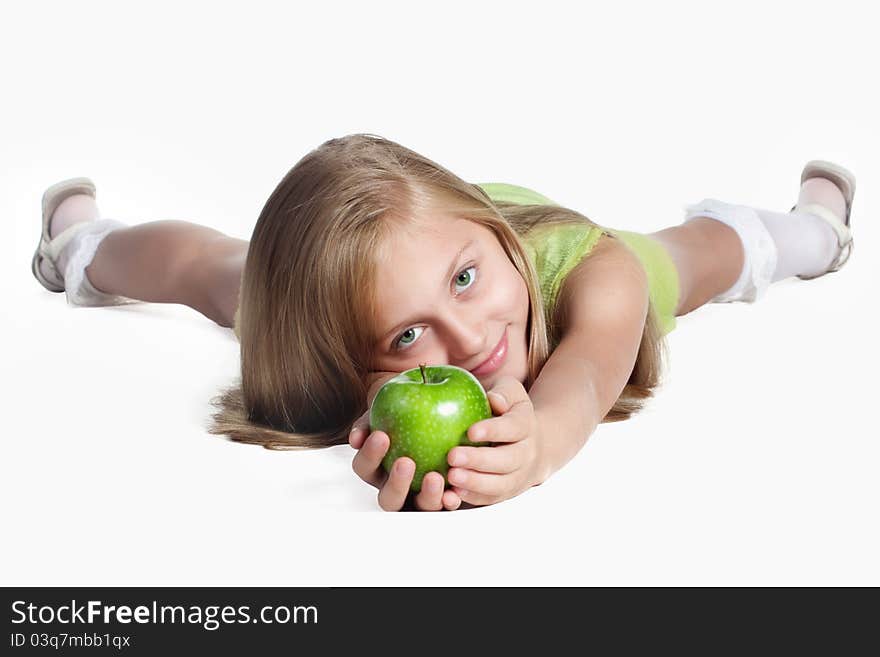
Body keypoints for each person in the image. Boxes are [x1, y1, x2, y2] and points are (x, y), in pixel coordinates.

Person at [32, 134, 855, 512]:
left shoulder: (592, 271)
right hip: (417, 245)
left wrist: (538, 447)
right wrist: (88, 247)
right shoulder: (322, 316)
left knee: (699, 254)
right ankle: (79, 243)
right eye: (404, 338)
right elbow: (187, 262)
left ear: (493, 238)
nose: (467, 341)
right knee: (220, 270)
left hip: (556, 256)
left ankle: (815, 226)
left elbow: (589, 372)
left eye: (465, 283)